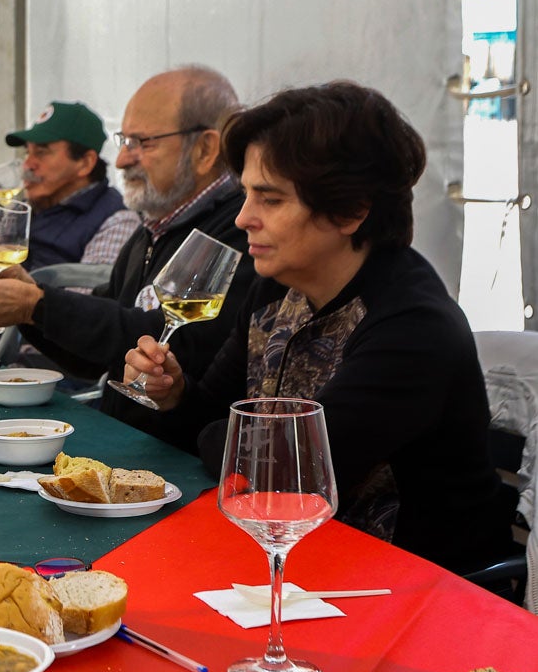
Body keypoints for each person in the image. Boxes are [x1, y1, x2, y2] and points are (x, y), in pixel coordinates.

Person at [121, 80, 518, 575]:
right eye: (246, 194)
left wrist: (230, 438)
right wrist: (174, 394)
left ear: (352, 211)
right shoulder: (277, 286)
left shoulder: (414, 326)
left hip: (415, 588)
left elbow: (287, 470)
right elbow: (217, 425)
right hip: (298, 559)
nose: (243, 218)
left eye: (270, 199)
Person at [0, 66, 255, 442]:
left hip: (175, 466)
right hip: (121, 442)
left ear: (206, 149)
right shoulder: (153, 230)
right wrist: (28, 310)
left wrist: (37, 305)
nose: (123, 160)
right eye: (124, 141)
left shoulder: (242, 231)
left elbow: (173, 343)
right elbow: (97, 352)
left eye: (141, 142)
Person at [0, 101, 140, 289]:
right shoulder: (20, 206)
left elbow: (87, 310)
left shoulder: (116, 220)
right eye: (27, 152)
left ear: (85, 162)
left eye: (42, 152)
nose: (27, 165)